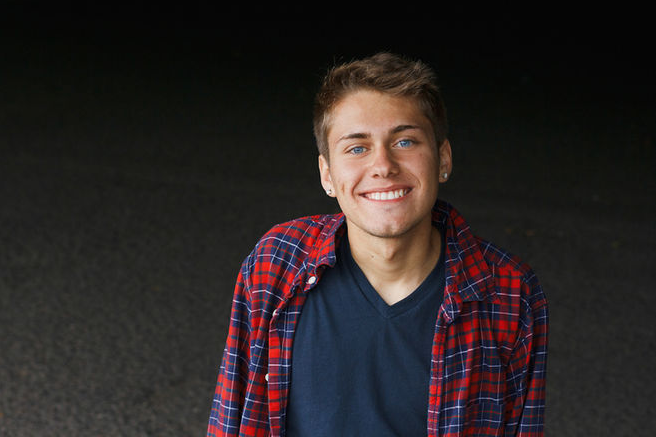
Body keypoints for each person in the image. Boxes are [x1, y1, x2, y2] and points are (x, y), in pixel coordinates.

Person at [207, 52, 548, 436]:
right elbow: (231, 418)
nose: (383, 165)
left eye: (405, 141)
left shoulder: (509, 292)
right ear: (327, 174)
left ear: (443, 159)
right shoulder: (277, 262)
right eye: (357, 147)